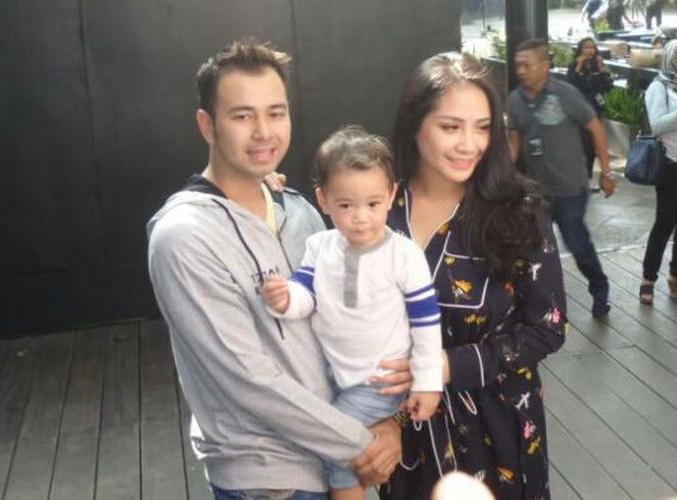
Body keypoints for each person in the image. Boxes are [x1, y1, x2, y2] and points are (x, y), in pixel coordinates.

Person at [147, 40, 406, 499]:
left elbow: (347, 325)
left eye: (276, 112)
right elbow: (248, 380)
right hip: (269, 481)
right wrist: (364, 443)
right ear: (207, 125)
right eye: (242, 116)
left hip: (337, 461)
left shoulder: (298, 210)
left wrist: (387, 417)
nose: (264, 131)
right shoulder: (184, 237)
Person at [380, 52, 567, 499]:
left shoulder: (519, 211)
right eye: (451, 127)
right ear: (414, 123)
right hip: (406, 427)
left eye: (482, 127)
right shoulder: (380, 208)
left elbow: (548, 327)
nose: (469, 144)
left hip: (498, 429)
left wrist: (448, 365)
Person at [262, 125, 443, 500]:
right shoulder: (319, 247)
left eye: (373, 204)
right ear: (323, 200)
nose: (361, 217)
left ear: (391, 195)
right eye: (346, 205)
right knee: (339, 445)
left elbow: (426, 323)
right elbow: (305, 295)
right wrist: (285, 299)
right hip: (335, 375)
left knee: (337, 447)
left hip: (379, 381)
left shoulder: (403, 255)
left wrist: (428, 382)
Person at [508, 38, 615, 319]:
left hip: (570, 189)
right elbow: (513, 143)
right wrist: (505, 176)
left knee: (577, 243)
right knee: (531, 248)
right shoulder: (516, 100)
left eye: (527, 65)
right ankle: (535, 304)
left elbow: (596, 128)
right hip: (536, 191)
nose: (521, 71)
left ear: (545, 65)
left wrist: (606, 173)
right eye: (518, 65)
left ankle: (599, 287)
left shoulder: (565, 94)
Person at [639, 40, 677, 305]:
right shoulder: (659, 87)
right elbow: (657, 125)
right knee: (664, 223)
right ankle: (648, 278)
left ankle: (675, 275)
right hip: (670, 165)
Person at [567, 37, 614, 184]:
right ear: (580, 50)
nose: (589, 51)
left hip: (594, 109)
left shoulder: (597, 66)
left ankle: (587, 177)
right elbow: (571, 85)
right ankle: (577, 176)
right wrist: (578, 67)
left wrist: (602, 70)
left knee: (591, 146)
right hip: (578, 110)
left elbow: (607, 87)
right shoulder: (574, 65)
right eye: (586, 47)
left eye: (592, 47)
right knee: (580, 143)